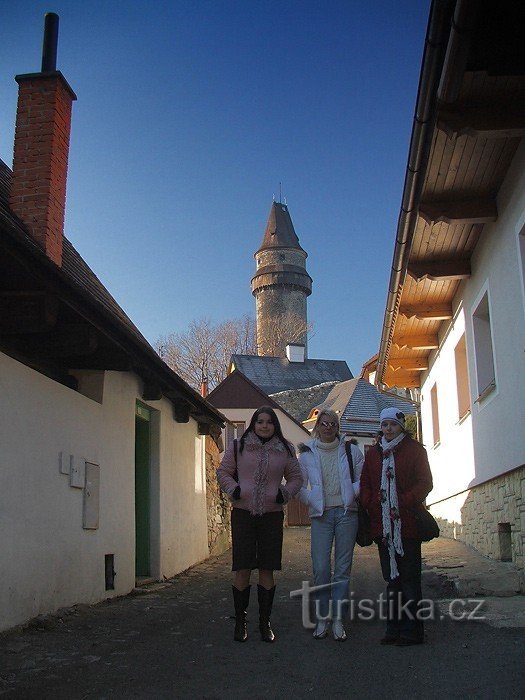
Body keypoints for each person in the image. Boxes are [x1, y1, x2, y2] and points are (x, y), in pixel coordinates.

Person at [217, 406, 302, 643]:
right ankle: (240, 622)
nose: (264, 426)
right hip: (243, 513)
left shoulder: (285, 449)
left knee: (267, 568)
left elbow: (296, 478)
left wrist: (284, 493)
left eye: (269, 422)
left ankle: (265, 623)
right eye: (260, 422)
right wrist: (234, 489)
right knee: (243, 567)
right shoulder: (238, 446)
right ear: (254, 424)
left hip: (272, 516)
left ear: (275, 425)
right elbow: (223, 472)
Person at [360, 407, 433, 646]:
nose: (388, 429)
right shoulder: (374, 454)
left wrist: (403, 501)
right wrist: (373, 503)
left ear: (401, 426)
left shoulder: (415, 451)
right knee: (392, 579)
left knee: (410, 579)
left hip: (407, 525)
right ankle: (394, 628)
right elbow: (365, 484)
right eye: (384, 425)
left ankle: (412, 631)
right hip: (384, 527)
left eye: (392, 424)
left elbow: (425, 482)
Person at [297, 410, 364, 641]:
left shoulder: (351, 450)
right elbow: (298, 485)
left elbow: (362, 479)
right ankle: (322, 618)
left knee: (343, 569)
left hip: (347, 514)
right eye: (323, 423)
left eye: (332, 424)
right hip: (321, 516)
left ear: (338, 426)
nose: (328, 427)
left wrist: (352, 494)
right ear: (317, 426)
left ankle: (338, 620)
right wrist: (312, 499)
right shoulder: (307, 454)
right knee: (321, 568)